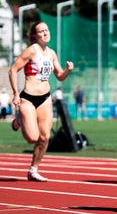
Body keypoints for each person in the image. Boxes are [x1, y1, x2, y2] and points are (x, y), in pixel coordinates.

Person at [8, 21, 73, 182]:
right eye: (41, 31)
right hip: (28, 98)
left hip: (45, 98)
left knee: (44, 138)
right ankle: (19, 121)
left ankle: (33, 170)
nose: (45, 33)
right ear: (34, 36)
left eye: (47, 30)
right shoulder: (31, 51)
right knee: (32, 137)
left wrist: (67, 71)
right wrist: (16, 93)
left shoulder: (51, 53)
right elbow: (13, 70)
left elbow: (59, 76)